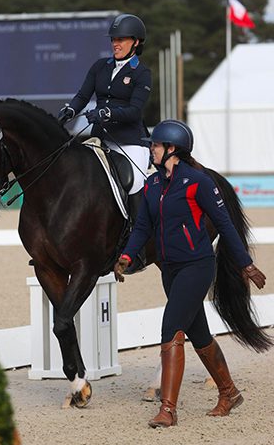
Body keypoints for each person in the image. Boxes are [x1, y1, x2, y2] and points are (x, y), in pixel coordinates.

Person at [113, 120, 267, 428]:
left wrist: (245, 264)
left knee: (171, 328)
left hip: (197, 266)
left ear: (171, 149)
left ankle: (167, 410)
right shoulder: (152, 185)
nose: (150, 149)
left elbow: (224, 224)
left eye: (155, 145)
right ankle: (230, 392)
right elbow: (143, 226)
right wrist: (126, 256)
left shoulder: (198, 182)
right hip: (169, 270)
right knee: (198, 334)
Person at [58, 13, 152, 271]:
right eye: (114, 39)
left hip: (131, 141)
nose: (115, 43)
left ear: (136, 42)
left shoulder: (142, 73)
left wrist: (108, 112)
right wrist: (69, 111)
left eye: (121, 39)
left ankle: (137, 247)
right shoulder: (100, 67)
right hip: (99, 138)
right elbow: (82, 95)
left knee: (135, 184)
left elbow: (135, 111)